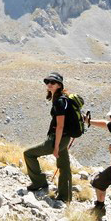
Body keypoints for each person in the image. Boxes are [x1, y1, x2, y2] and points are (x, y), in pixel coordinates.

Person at [23, 72, 75, 202]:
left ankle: (39, 182)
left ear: (59, 85)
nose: (49, 85)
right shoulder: (63, 98)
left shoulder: (59, 102)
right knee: (64, 166)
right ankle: (65, 196)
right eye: (47, 82)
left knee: (28, 154)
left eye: (53, 82)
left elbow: (60, 126)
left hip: (58, 138)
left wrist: (56, 147)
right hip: (64, 138)